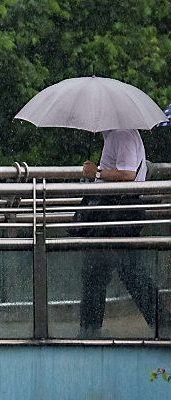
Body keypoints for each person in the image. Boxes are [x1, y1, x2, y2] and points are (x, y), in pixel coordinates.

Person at [78, 129, 158, 337]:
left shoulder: (122, 134)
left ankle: (90, 329)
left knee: (118, 270)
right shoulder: (114, 134)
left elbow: (128, 174)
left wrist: (95, 173)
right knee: (105, 270)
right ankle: (90, 328)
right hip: (115, 210)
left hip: (120, 210)